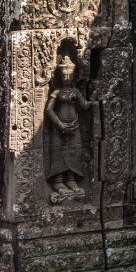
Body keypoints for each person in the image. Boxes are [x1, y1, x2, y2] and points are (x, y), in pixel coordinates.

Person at [43, 54, 93, 201]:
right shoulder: (56, 92)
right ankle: (58, 181)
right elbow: (48, 110)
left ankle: (71, 179)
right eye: (64, 75)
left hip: (74, 126)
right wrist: (58, 123)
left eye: (69, 75)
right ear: (59, 76)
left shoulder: (75, 92)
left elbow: (84, 106)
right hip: (58, 128)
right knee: (58, 152)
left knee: (74, 151)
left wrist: (96, 100)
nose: (66, 78)